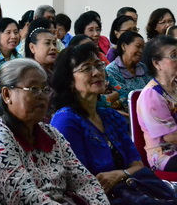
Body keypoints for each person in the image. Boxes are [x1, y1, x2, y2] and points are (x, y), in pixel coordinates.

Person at [0, 58, 108, 204]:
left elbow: (85, 181)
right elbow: (26, 198)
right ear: (7, 95)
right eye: (33, 89)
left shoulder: (51, 134)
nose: (42, 96)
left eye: (45, 89)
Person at [51, 43, 144, 194]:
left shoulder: (111, 116)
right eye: (86, 68)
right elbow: (79, 181)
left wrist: (120, 175)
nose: (96, 72)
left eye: (98, 65)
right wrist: (125, 174)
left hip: (130, 191)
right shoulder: (66, 120)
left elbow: (139, 166)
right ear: (69, 81)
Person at [137, 35, 177, 171]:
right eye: (173, 55)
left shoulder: (175, 86)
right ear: (156, 63)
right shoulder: (152, 95)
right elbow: (171, 136)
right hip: (166, 155)